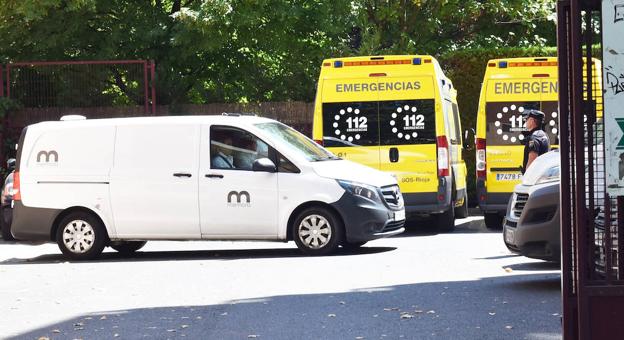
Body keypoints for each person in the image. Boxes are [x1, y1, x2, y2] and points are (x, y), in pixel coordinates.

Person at [521, 109, 550, 174]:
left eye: (526, 120)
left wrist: (527, 176)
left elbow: (532, 159)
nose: (525, 122)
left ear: (531, 121)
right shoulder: (544, 135)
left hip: (534, 176)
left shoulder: (534, 137)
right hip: (542, 174)